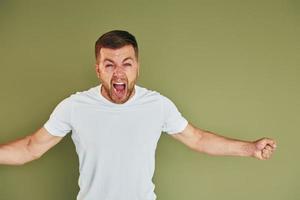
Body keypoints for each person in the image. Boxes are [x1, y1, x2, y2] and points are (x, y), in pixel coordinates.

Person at [0, 30, 277, 200]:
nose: (118, 73)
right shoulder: (75, 106)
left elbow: (199, 139)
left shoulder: (157, 105)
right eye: (109, 65)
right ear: (98, 70)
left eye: (126, 64)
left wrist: (250, 148)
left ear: (137, 67)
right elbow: (29, 149)